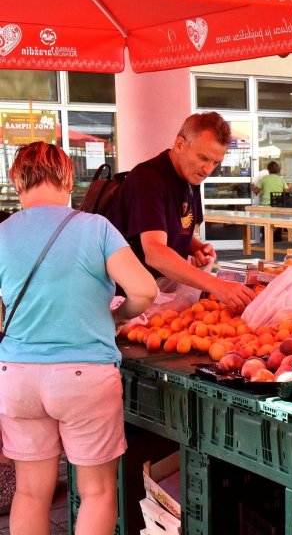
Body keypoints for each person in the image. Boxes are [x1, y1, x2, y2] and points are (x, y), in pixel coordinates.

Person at [0, 142, 157, 535]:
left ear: (16, 180)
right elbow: (145, 291)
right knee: (97, 492)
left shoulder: (1, 233)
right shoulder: (96, 228)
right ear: (69, 179)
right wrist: (116, 316)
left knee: (31, 493)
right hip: (85, 377)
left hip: (17, 375)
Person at [106, 112, 254, 313]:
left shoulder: (191, 177)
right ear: (180, 144)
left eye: (216, 162)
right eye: (203, 158)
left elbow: (176, 226)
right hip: (126, 304)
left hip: (161, 299)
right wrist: (217, 285)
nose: (208, 170)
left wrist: (196, 247)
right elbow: (155, 253)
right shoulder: (148, 179)